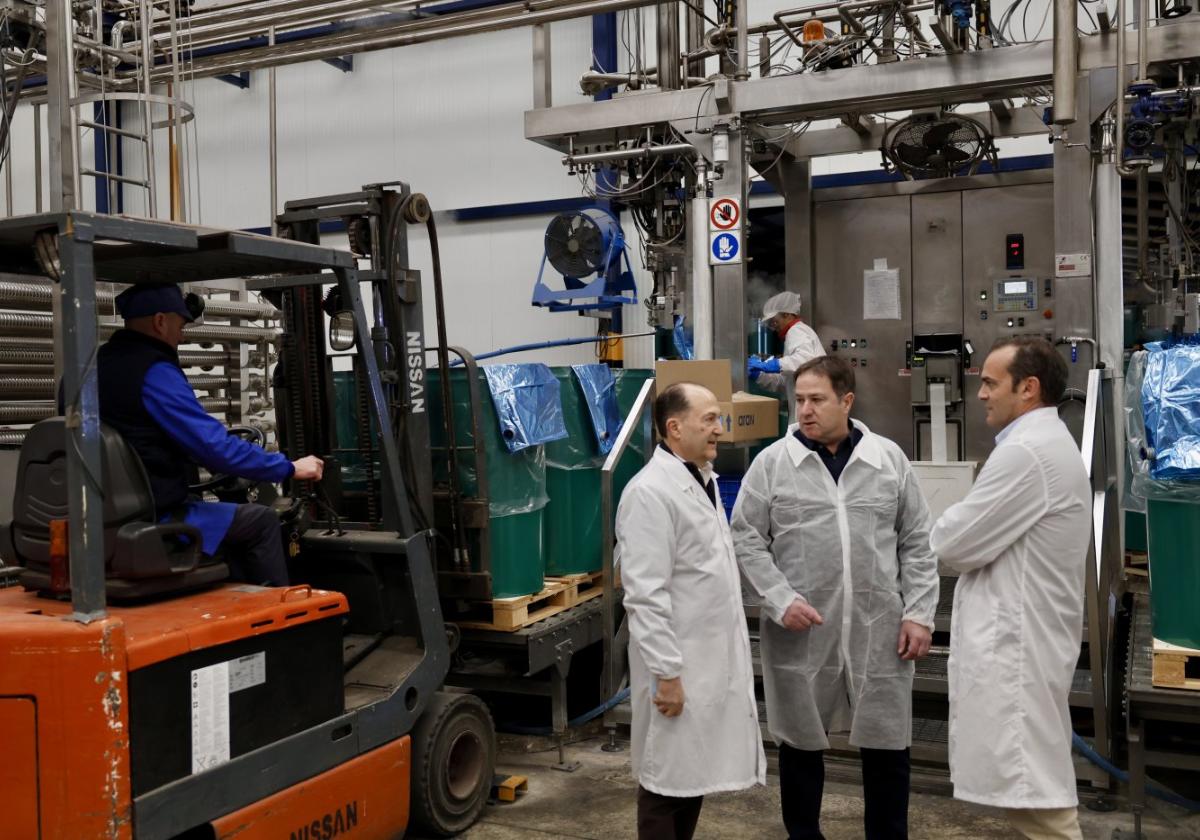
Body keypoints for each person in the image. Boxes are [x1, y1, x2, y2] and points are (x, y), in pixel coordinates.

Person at [732, 356, 938, 840]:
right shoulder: (773, 464)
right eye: (799, 399)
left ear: (846, 401)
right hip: (803, 629)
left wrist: (920, 614)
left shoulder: (887, 460)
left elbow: (917, 540)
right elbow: (745, 538)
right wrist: (779, 599)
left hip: (879, 626)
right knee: (801, 748)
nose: (804, 410)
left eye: (817, 399)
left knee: (887, 749)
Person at [930, 337, 1090, 840]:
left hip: (1020, 645)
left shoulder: (1027, 452)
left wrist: (943, 522)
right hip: (1024, 638)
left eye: (990, 383)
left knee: (1041, 803)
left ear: (1028, 388)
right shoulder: (1040, 444)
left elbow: (954, 544)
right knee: (1030, 801)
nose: (980, 394)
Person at [96, 283, 324, 586]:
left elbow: (139, 434)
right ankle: (281, 625)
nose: (182, 335)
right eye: (180, 325)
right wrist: (289, 467)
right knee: (262, 521)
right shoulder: (154, 372)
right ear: (160, 322)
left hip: (105, 516)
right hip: (154, 516)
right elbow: (213, 446)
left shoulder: (89, 368)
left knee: (225, 521)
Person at [615, 382, 766, 840]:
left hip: (702, 662)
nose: (720, 429)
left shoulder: (703, 479)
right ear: (674, 427)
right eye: (710, 420)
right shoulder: (650, 493)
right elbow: (645, 594)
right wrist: (667, 673)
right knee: (665, 784)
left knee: (690, 778)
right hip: (676, 666)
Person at [747, 290, 825, 420]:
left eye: (775, 321)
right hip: (806, 410)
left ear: (787, 315)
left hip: (812, 411)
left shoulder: (796, 331)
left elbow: (805, 360)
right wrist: (759, 375)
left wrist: (772, 364)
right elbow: (786, 381)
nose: (773, 326)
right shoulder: (795, 334)